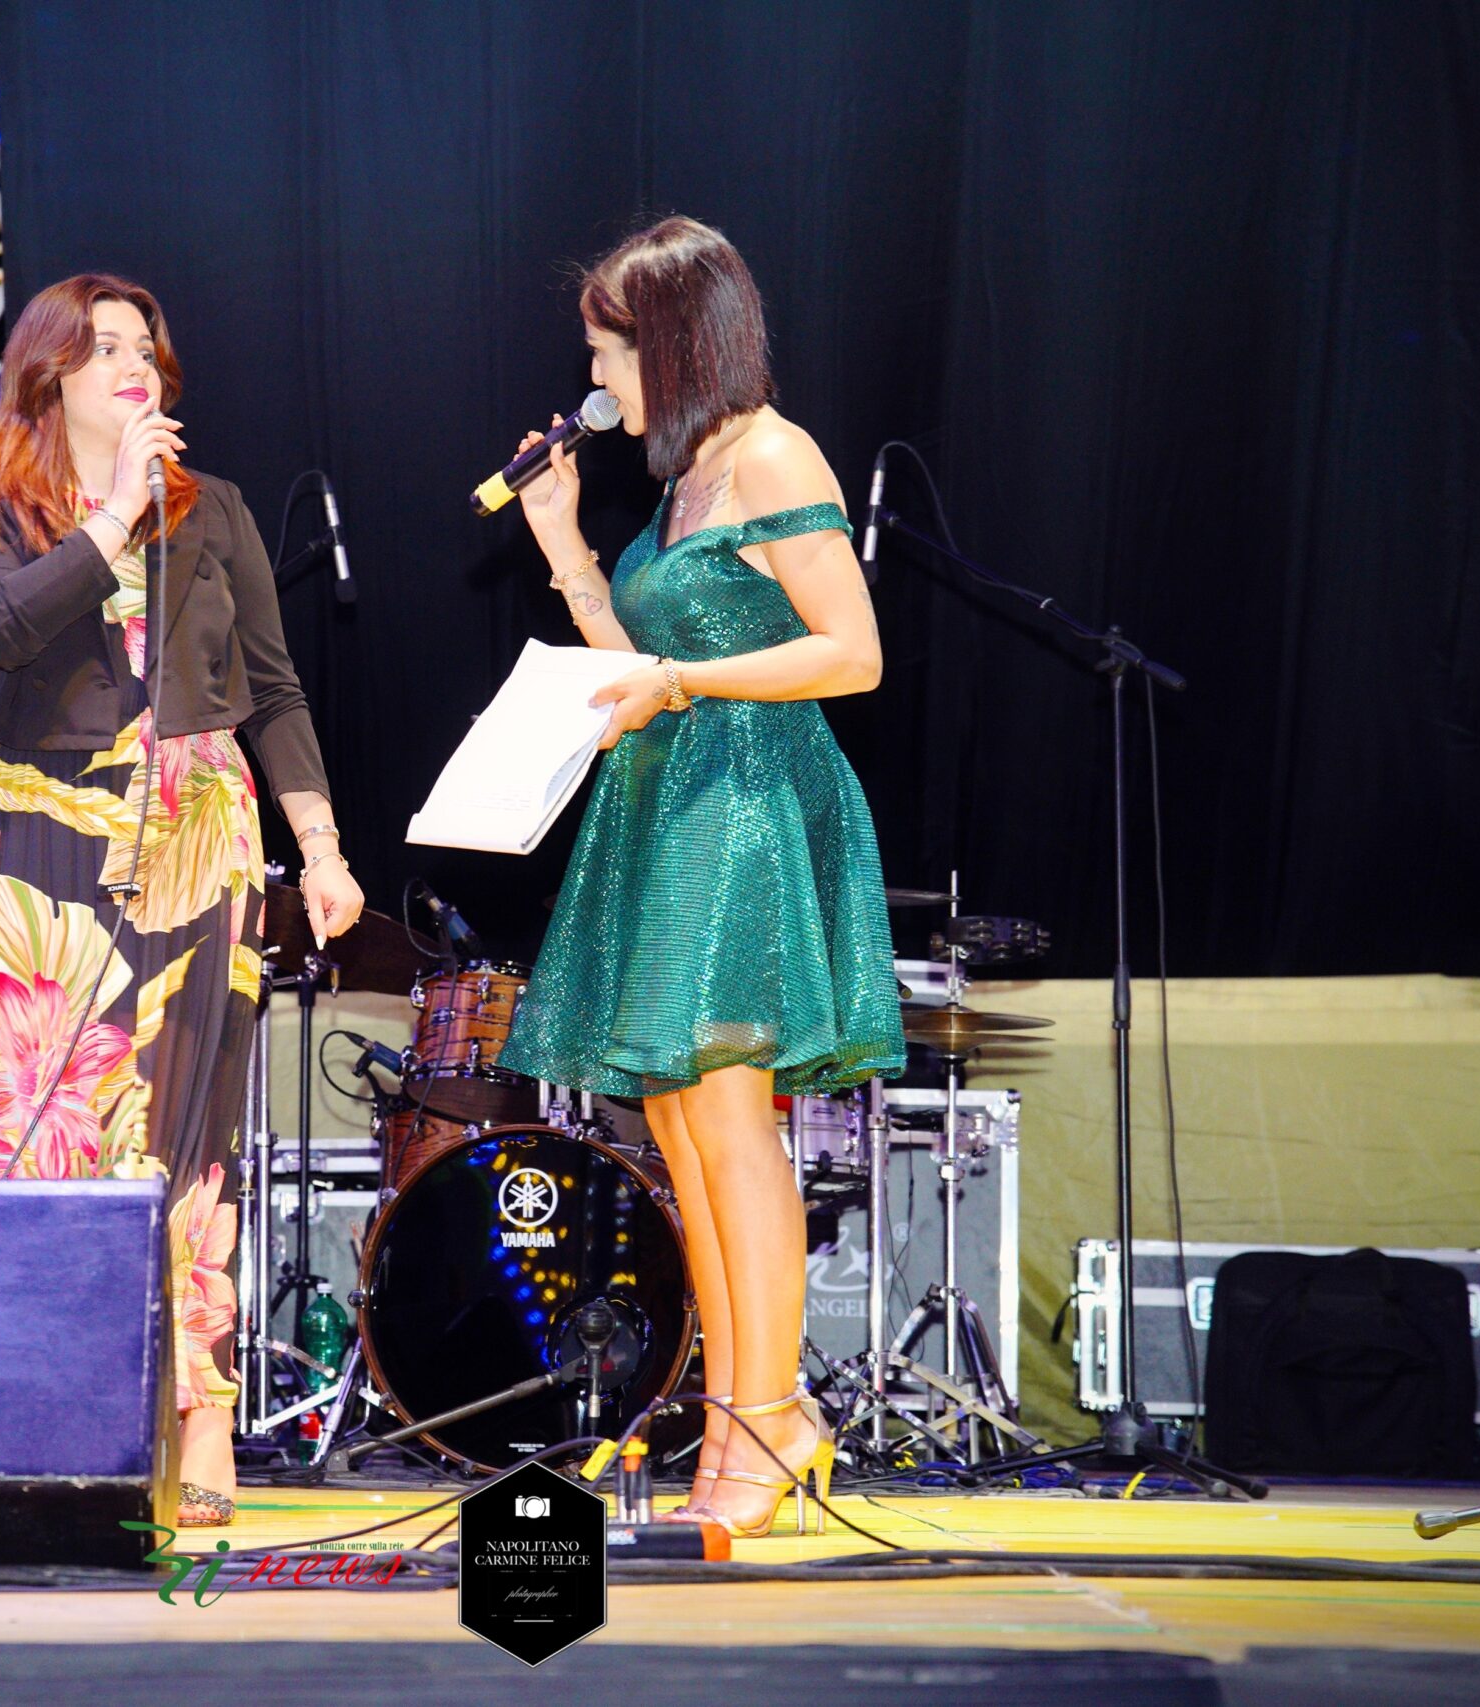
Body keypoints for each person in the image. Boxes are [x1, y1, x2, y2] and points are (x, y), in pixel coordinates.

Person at [0, 273, 364, 1526]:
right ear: (45, 376)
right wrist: (110, 520)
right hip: (23, 838)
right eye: (102, 347)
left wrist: (320, 848)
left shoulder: (216, 511)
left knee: (179, 1130)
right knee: (1, 1112)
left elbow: (272, 689)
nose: (132, 364)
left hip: (191, 841)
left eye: (143, 345)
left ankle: (195, 1412)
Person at [496, 217, 905, 1538]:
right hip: (669, 806)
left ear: (671, 342)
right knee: (679, 1129)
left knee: (732, 1126)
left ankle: (767, 1413)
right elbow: (632, 665)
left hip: (746, 807)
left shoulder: (776, 455)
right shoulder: (682, 479)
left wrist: (680, 680)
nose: (594, 374)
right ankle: (747, 1414)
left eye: (608, 349)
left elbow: (852, 653)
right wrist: (563, 542)